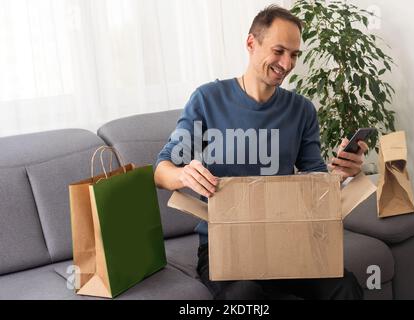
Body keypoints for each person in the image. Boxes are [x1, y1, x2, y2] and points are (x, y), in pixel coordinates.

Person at [154, 5, 366, 300]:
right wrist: (183, 174)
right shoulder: (208, 99)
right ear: (251, 43)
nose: (287, 63)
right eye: (279, 51)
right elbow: (161, 171)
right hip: (224, 245)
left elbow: (314, 179)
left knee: (345, 285)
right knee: (244, 295)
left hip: (287, 240)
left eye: (294, 54)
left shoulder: (301, 110)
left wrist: (341, 174)